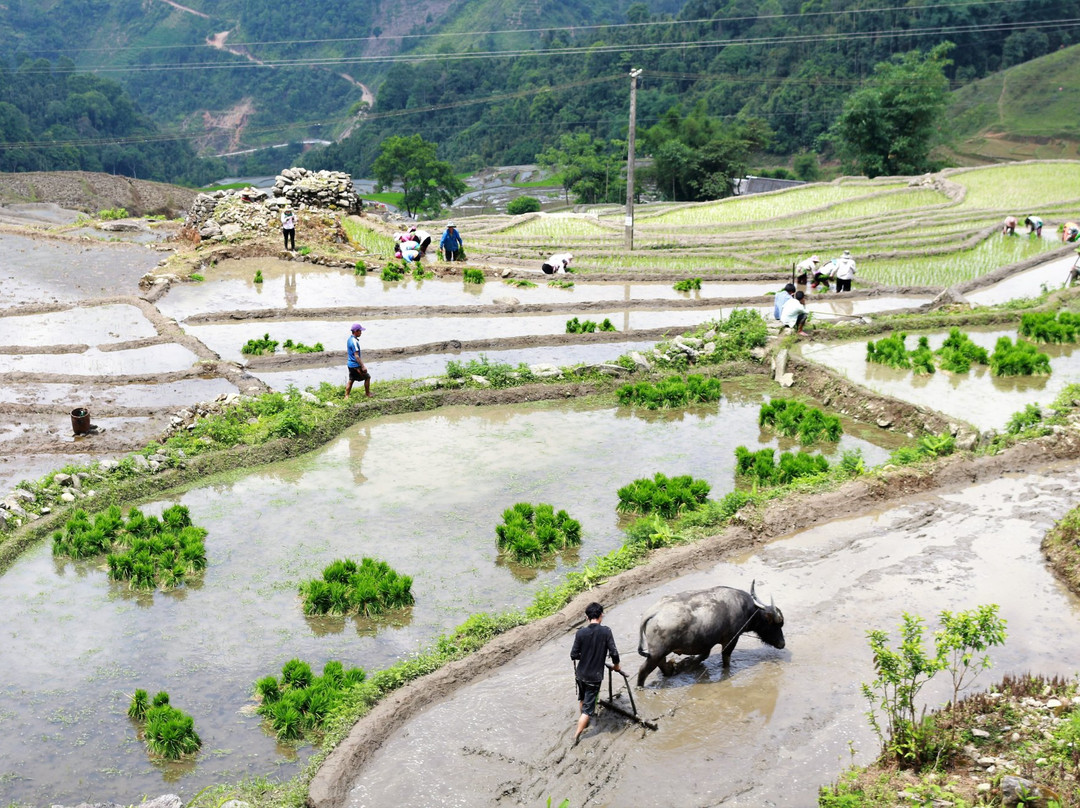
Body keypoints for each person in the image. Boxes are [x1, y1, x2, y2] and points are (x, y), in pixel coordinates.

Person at [570, 601, 620, 745]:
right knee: (588, 709)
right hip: (594, 676)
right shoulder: (606, 631)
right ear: (601, 615)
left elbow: (573, 654)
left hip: (580, 674)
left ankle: (583, 721)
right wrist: (616, 666)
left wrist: (586, 654)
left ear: (587, 617)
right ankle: (576, 736)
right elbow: (614, 653)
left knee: (582, 699)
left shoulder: (580, 632)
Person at [345, 323, 371, 399]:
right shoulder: (354, 342)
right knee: (367, 377)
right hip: (355, 366)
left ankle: (346, 396)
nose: (361, 333)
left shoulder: (349, 339)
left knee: (351, 379)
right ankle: (367, 393)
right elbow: (356, 355)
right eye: (360, 331)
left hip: (350, 364)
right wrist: (363, 366)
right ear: (356, 331)